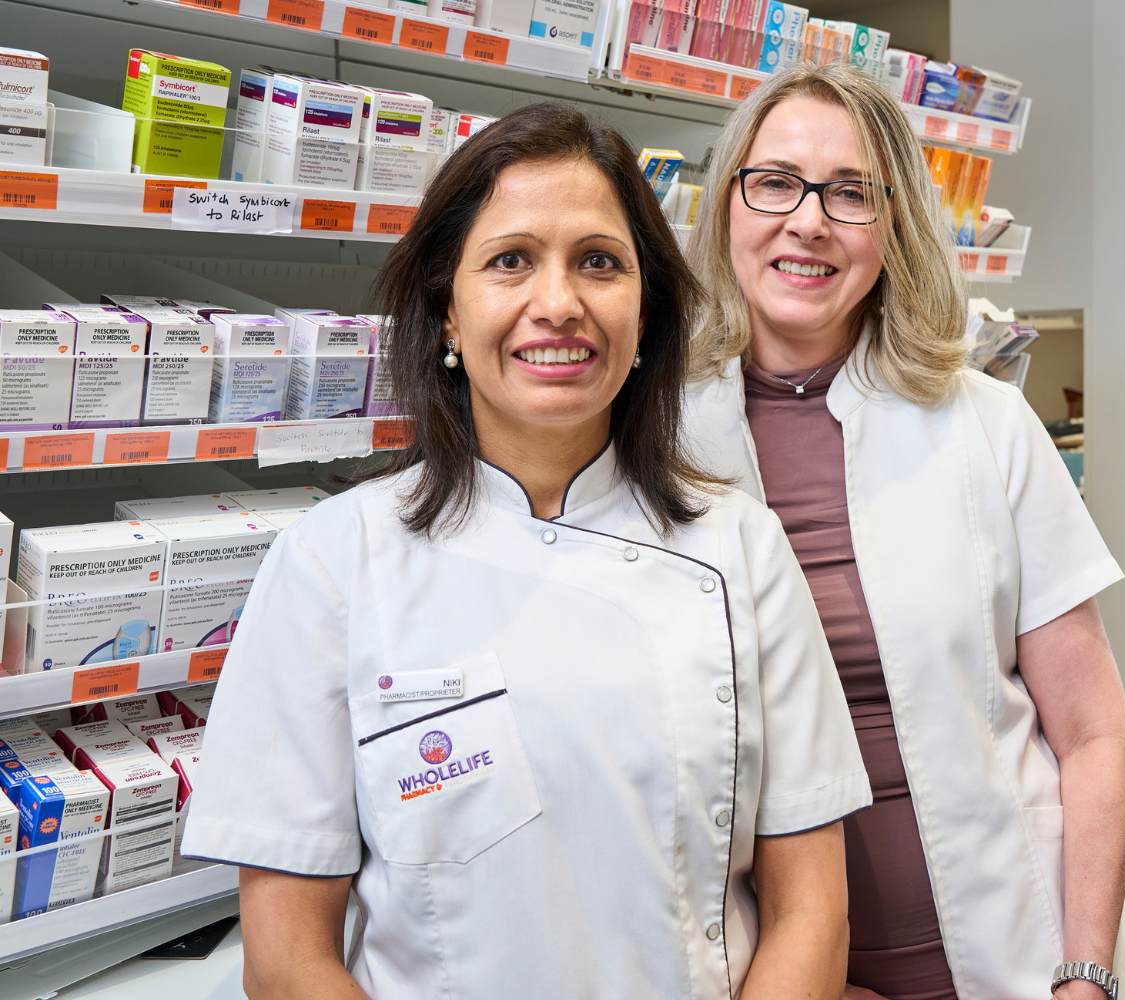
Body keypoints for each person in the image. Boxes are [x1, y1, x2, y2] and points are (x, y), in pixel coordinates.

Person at [181, 101, 870, 1000]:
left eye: (599, 262)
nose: (559, 304)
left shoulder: (740, 545)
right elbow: (286, 962)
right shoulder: (330, 563)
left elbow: (812, 913)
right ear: (446, 313)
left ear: (646, 312)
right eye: (511, 260)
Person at [681, 64, 1125, 1000]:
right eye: (774, 182)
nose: (808, 221)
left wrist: (1086, 974)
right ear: (726, 202)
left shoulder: (988, 424)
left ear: (894, 224)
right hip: (771, 971)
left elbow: (1094, 732)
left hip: (1017, 959)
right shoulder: (653, 441)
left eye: (852, 193)